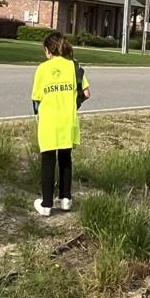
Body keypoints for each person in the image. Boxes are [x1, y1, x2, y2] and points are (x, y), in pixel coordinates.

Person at [31, 31, 90, 216]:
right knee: (65, 159)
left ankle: (47, 204)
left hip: (49, 122)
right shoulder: (73, 67)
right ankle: (66, 199)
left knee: (48, 161)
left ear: (48, 50)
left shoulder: (42, 69)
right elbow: (87, 92)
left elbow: (36, 98)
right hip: (68, 121)